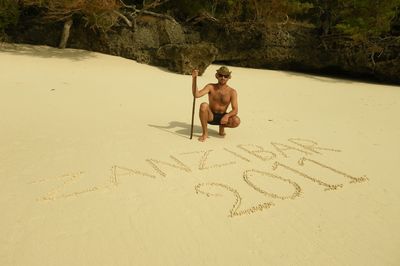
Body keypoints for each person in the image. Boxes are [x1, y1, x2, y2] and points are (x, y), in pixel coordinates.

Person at [192, 66, 240, 142]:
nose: (223, 78)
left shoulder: (232, 92)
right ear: (217, 76)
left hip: (223, 118)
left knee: (236, 121)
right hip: (210, 116)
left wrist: (227, 116)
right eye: (221, 75)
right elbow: (196, 94)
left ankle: (222, 127)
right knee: (204, 105)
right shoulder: (210, 87)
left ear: (229, 77)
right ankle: (205, 133)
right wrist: (194, 78)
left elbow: (235, 109)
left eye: (226, 76)